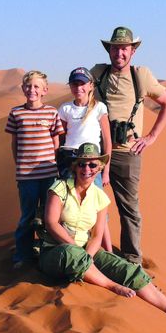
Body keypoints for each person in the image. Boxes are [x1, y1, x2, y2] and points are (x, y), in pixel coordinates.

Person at [39, 142, 166, 324]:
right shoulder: (59, 188)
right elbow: (51, 223)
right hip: (55, 251)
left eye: (92, 164)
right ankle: (112, 285)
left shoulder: (100, 197)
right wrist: (78, 251)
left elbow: (97, 235)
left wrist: (88, 255)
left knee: (128, 269)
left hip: (86, 250)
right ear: (75, 166)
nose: (87, 169)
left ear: (100, 168)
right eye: (82, 163)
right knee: (71, 254)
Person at [91, 27, 166, 265]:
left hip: (128, 152)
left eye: (124, 48)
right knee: (91, 204)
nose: (120, 53)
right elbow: (78, 91)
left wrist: (151, 137)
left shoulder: (142, 76)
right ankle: (95, 253)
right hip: (96, 153)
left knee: (129, 209)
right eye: (115, 48)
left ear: (132, 51)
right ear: (109, 50)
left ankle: (131, 261)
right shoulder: (97, 73)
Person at [5, 70, 65, 269]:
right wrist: (20, 165)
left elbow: (56, 142)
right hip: (26, 176)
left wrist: (54, 166)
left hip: (49, 175)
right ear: (23, 89)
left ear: (44, 90)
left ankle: (49, 253)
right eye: (28, 86)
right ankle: (23, 256)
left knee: (50, 217)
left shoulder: (51, 112)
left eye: (36, 86)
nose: (32, 90)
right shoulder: (16, 113)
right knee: (27, 217)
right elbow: (14, 143)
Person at [57, 66, 113, 252]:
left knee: (98, 209)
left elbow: (107, 140)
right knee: (67, 205)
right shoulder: (65, 108)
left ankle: (108, 252)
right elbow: (60, 136)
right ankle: (68, 246)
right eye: (74, 83)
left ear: (91, 85)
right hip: (70, 161)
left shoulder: (99, 107)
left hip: (92, 163)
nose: (78, 87)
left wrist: (105, 170)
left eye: (82, 83)